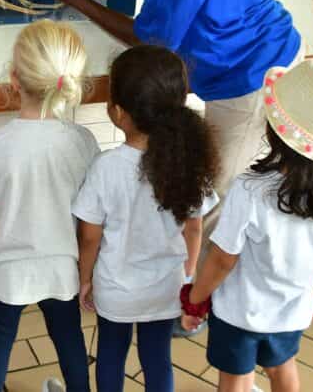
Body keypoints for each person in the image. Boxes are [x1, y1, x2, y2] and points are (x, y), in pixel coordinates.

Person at [33, 0, 303, 278]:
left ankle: (193, 296)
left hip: (248, 77)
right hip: (276, 46)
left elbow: (151, 39)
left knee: (213, 195)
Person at [179, 61, 313, 392]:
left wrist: (196, 299)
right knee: (282, 367)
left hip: (239, 312)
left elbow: (222, 259)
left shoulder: (250, 190)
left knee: (235, 376)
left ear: (275, 130)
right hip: (292, 311)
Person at [0, 20, 100, 392]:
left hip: (6, 269)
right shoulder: (83, 142)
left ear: (15, 79)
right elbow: (89, 224)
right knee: (69, 340)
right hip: (62, 269)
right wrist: (87, 274)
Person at [73, 45, 220, 392]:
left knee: (110, 354)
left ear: (118, 112)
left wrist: (84, 278)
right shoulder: (190, 164)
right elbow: (194, 227)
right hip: (165, 287)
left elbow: (90, 236)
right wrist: (188, 275)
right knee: (157, 358)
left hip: (116, 289)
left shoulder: (106, 168)